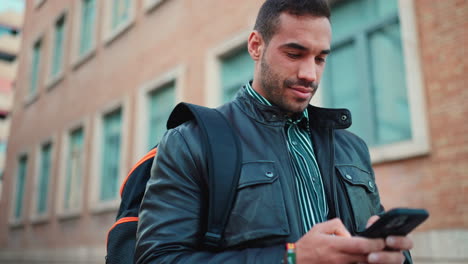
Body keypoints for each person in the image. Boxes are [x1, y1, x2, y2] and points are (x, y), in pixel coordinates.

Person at [135, 0, 414, 263]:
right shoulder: (191, 142)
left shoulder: (352, 148)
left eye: (320, 58)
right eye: (295, 54)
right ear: (256, 46)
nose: (310, 74)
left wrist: (391, 256)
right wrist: (290, 258)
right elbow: (158, 258)